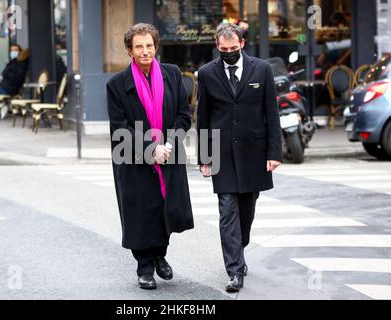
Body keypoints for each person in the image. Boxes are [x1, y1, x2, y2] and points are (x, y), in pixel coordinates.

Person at [106, 23, 194, 290]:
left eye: (149, 45)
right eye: (139, 46)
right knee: (140, 213)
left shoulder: (173, 74)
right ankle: (144, 266)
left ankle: (160, 255)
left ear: (156, 47)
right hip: (133, 158)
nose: (145, 51)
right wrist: (150, 148)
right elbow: (120, 128)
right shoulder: (117, 84)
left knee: (165, 208)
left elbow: (183, 115)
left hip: (168, 153)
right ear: (129, 51)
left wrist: (167, 144)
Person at [197, 23, 282, 293]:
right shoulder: (207, 73)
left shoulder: (262, 69)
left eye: (233, 49)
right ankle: (234, 271)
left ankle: (240, 245)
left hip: (253, 152)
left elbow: (271, 113)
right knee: (227, 212)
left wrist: (274, 152)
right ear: (216, 46)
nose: (229, 53)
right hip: (221, 153)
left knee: (247, 210)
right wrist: (204, 157)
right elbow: (203, 118)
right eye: (224, 50)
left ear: (242, 44)